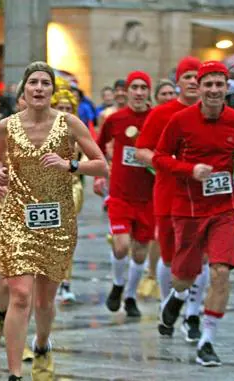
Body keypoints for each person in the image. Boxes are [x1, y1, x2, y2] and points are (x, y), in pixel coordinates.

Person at [0, 61, 107, 381]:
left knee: (44, 300)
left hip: (57, 220)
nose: (39, 88)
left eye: (45, 83)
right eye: (33, 83)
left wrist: (70, 165)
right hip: (17, 217)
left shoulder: (69, 123)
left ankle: (41, 343)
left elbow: (101, 165)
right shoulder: (6, 126)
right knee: (21, 294)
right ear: (23, 90)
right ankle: (14, 373)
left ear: (53, 91)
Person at [154, 61, 234, 367]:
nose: (213, 90)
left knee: (220, 272)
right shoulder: (179, 120)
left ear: (226, 88)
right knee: (183, 276)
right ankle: (177, 297)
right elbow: (159, 158)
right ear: (198, 88)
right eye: (208, 84)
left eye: (219, 84)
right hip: (187, 208)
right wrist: (190, 169)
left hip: (224, 208)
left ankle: (207, 341)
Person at [135, 57, 208, 342]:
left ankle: (193, 314)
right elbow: (142, 151)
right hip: (168, 193)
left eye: (196, 77)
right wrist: (170, 162)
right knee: (169, 256)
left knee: (200, 256)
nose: (192, 81)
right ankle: (170, 303)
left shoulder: (213, 113)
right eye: (187, 76)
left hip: (204, 197)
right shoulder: (162, 114)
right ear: (177, 81)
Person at [0, 80, 35, 363]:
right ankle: (1, 315)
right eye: (25, 96)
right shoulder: (5, 128)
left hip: (36, 214)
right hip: (6, 211)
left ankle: (22, 340)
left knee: (27, 285)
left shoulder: (54, 128)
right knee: (6, 282)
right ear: (19, 101)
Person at [94, 71, 154, 318]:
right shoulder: (115, 119)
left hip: (149, 196)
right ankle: (118, 285)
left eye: (143, 88)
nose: (139, 92)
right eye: (135, 87)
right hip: (120, 193)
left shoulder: (157, 118)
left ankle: (130, 295)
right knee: (121, 246)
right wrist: (100, 173)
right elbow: (98, 146)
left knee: (140, 252)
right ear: (126, 91)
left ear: (148, 92)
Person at [51, 88, 86, 304]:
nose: (64, 112)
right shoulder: (42, 130)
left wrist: (72, 165)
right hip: (46, 191)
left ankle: (65, 282)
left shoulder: (78, 131)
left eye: (68, 108)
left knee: (66, 233)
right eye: (60, 108)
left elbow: (96, 160)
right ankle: (50, 279)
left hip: (72, 187)